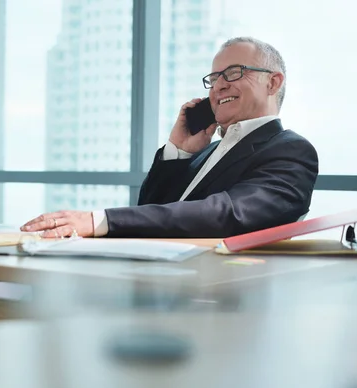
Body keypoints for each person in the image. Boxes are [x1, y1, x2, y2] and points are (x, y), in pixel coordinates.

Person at [21, 37, 319, 238]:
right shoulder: (205, 152)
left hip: (219, 296)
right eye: (214, 79)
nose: (218, 87)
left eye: (233, 73)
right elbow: (149, 210)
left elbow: (230, 214)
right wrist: (179, 151)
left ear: (273, 82)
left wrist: (101, 220)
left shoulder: (291, 150)